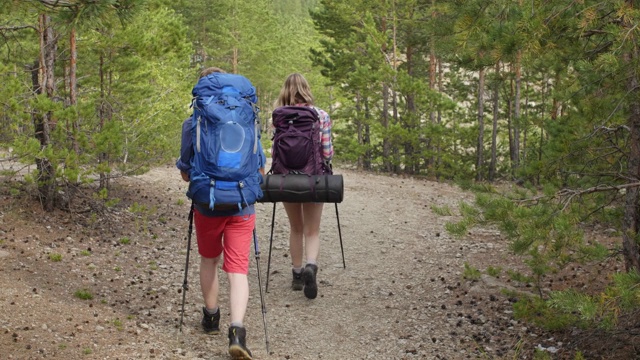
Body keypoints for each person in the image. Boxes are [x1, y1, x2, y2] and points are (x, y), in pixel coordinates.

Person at [176, 66, 265, 360]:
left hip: (208, 203)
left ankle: (211, 317)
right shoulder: (246, 117)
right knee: (238, 269)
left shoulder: (194, 123)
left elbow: (186, 174)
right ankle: (237, 331)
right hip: (242, 203)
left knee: (209, 260)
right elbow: (260, 165)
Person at [272, 73, 334, 300]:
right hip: (314, 179)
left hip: (287, 179)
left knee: (295, 227)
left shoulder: (278, 117)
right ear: (306, 89)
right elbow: (327, 152)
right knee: (312, 229)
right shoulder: (321, 115)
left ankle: (297, 275)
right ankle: (311, 265)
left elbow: (275, 151)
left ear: (285, 91)